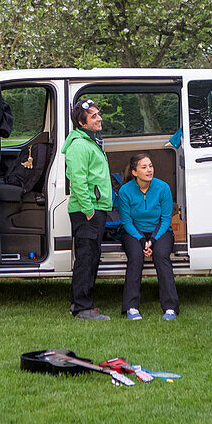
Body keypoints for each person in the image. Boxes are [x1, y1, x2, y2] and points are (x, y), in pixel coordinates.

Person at [62, 98, 113, 320]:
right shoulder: (79, 146)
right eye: (93, 116)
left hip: (95, 208)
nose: (99, 118)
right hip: (87, 212)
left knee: (92, 257)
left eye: (98, 114)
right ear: (82, 124)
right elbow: (77, 181)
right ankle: (82, 307)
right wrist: (89, 209)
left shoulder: (91, 142)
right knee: (86, 257)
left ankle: (79, 303)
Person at [118, 152, 179, 321]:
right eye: (144, 167)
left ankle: (170, 308)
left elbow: (166, 219)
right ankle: (131, 307)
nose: (149, 170)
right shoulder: (125, 191)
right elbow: (126, 221)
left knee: (161, 255)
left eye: (150, 166)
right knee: (136, 257)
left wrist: (152, 240)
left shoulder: (163, 188)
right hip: (134, 232)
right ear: (134, 172)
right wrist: (142, 240)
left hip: (160, 231)